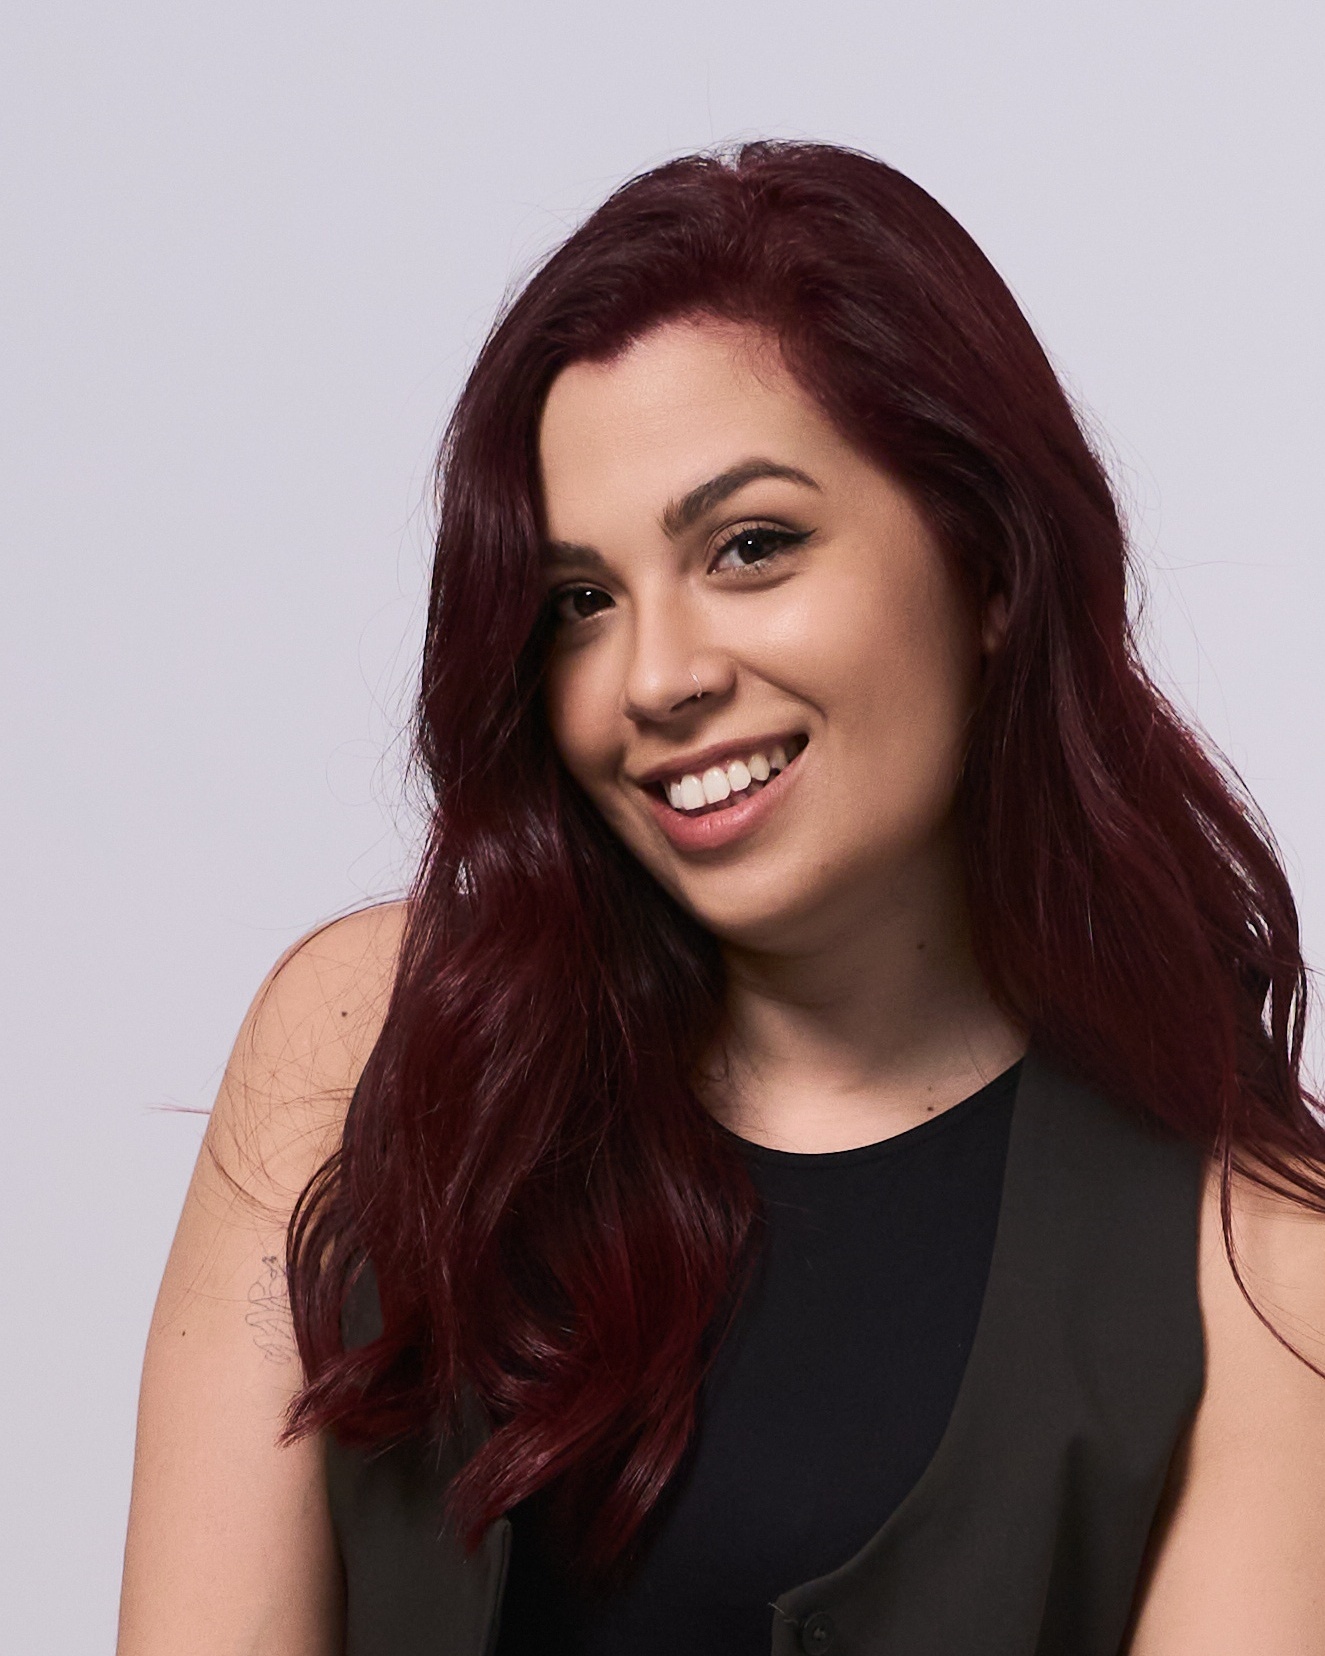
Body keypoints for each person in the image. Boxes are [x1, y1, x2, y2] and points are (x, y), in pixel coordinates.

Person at [116, 142, 1325, 1656]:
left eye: (751, 546)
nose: (658, 676)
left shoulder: (1258, 1274)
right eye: (579, 602)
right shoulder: (355, 1044)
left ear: (991, 565)